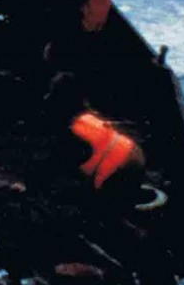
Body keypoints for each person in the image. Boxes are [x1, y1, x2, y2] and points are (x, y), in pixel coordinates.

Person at [45, 74, 164, 214]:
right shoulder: (87, 117)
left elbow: (63, 166)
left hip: (117, 174)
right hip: (135, 155)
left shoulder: (71, 133)